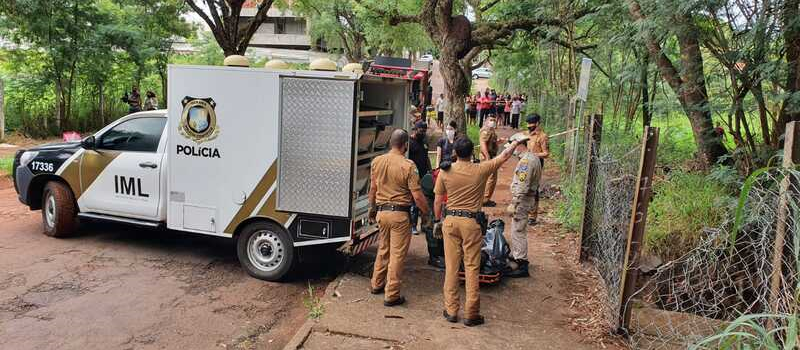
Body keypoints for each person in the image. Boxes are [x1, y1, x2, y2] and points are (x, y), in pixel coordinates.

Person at [433, 135, 524, 326]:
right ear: (472, 153)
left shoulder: (445, 172)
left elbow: (438, 200)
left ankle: (451, 310)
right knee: (472, 267)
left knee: (451, 267)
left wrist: (437, 220)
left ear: (455, 152)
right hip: (471, 223)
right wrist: (515, 142)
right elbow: (504, 156)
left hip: (450, 222)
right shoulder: (481, 169)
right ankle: (471, 313)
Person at [368, 129, 430, 307]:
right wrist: (427, 213)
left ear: (390, 143)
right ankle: (392, 294)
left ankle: (376, 284)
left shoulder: (377, 161)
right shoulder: (408, 166)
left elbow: (373, 189)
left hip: (381, 213)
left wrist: (372, 209)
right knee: (397, 255)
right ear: (405, 145)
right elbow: (417, 196)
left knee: (383, 249)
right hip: (399, 216)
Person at [505, 133, 542, 278]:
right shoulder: (534, 157)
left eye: (513, 147)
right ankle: (517, 254)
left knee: (518, 230)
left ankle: (522, 263)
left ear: (518, 145)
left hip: (523, 200)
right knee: (517, 228)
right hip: (527, 198)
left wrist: (514, 202)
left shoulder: (526, 162)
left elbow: (522, 184)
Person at [525, 114, 550, 225]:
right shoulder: (527, 134)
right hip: (525, 164)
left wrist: (534, 154)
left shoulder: (542, 136)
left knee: (533, 189)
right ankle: (524, 212)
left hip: (537, 164)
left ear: (537, 123)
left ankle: (532, 216)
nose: (529, 126)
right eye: (528, 124)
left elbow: (545, 153)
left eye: (531, 124)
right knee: (523, 187)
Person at [409, 121, 432, 234]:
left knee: (425, 199)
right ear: (415, 129)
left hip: (423, 176)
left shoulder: (424, 141)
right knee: (414, 202)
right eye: (421, 130)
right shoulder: (409, 143)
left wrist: (430, 170)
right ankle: (413, 225)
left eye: (424, 131)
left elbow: (426, 157)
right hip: (413, 176)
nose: (423, 133)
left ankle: (424, 225)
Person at [480, 115, 503, 207]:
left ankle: (485, 198)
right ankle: (485, 200)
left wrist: (498, 142)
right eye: (491, 120)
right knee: (491, 178)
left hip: (490, 155)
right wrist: (488, 158)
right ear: (486, 121)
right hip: (487, 156)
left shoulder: (491, 130)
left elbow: (490, 143)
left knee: (490, 178)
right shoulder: (485, 131)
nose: (493, 121)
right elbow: (483, 145)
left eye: (494, 120)